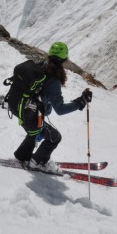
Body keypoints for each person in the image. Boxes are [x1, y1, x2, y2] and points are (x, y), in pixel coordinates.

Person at [11, 41, 92, 171]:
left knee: (35, 130)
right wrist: (80, 102)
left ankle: (22, 156)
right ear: (65, 58)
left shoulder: (39, 66)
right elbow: (60, 110)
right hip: (31, 115)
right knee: (55, 137)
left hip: (19, 108)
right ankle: (37, 162)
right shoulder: (53, 80)